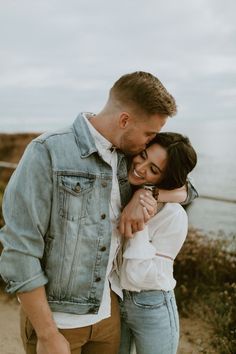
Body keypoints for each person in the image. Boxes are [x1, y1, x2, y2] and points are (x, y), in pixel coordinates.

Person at [0, 71, 196, 354]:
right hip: (59, 322)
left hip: (109, 318)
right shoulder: (48, 151)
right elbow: (19, 249)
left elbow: (187, 187)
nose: (149, 143)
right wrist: (47, 333)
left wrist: (147, 192)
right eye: (149, 133)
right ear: (125, 120)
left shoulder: (127, 159)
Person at [118, 132, 197, 354]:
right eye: (142, 156)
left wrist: (142, 215)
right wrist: (143, 192)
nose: (141, 168)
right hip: (114, 301)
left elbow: (139, 276)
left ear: (166, 179)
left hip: (152, 304)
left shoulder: (174, 216)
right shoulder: (120, 185)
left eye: (154, 170)